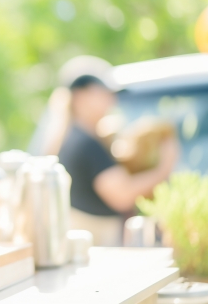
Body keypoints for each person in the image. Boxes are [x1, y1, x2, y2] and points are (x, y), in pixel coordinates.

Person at [54, 75, 178, 246]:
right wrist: (165, 168)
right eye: (103, 95)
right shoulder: (85, 143)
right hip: (98, 245)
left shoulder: (80, 137)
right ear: (80, 97)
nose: (111, 101)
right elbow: (123, 195)